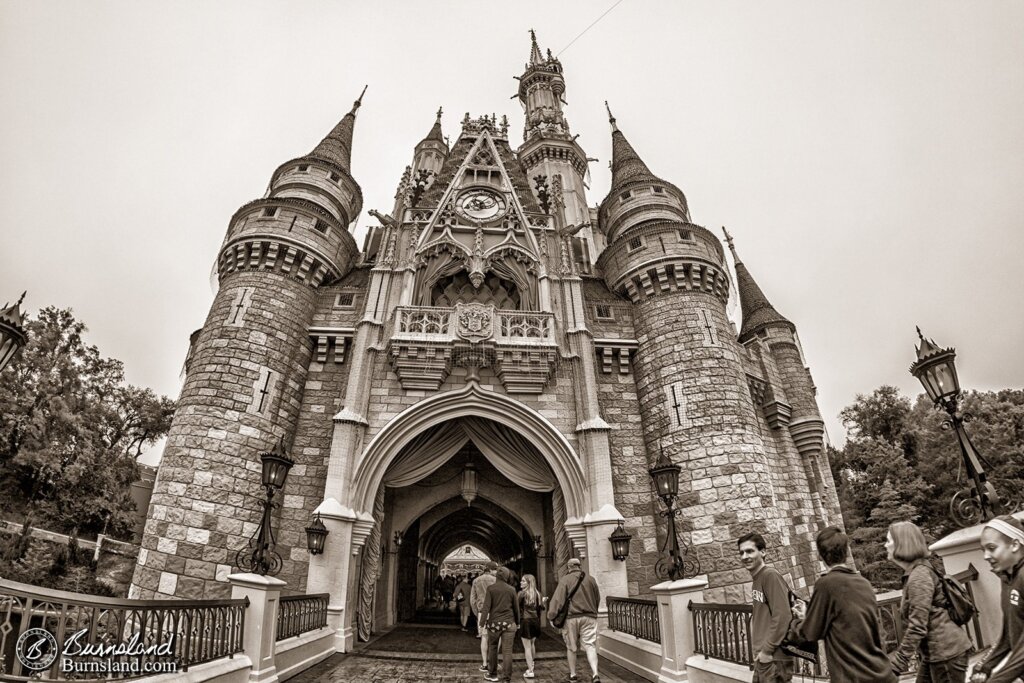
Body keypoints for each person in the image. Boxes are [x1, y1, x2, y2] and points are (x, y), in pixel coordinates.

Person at [790, 526, 897, 683]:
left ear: (820, 555)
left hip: (853, 677)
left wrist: (798, 622)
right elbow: (876, 631)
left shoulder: (826, 584)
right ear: (846, 552)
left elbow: (811, 632)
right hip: (882, 674)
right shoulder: (864, 583)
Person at [886, 521, 972, 681]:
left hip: (946, 653)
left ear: (902, 544)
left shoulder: (919, 576)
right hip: (935, 653)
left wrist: (897, 664)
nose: (885, 545)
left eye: (889, 540)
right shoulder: (916, 571)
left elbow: (917, 626)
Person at [970, 515, 1024, 683]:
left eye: (991, 548)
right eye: (983, 550)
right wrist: (984, 666)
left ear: (1014, 545)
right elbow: (1009, 633)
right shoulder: (1007, 578)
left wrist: (998, 679)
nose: (986, 556)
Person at [737, 532, 793, 683]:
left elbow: (783, 615)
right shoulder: (757, 578)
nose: (744, 556)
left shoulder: (770, 576)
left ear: (763, 552)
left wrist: (767, 650)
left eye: (750, 551)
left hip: (774, 658)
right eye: (741, 552)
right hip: (763, 658)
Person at [547, 557, 601, 683]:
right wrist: (593, 611)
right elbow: (597, 598)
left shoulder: (565, 580)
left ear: (569, 567)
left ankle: (573, 674)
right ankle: (595, 673)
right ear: (579, 566)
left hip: (571, 618)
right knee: (590, 645)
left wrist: (551, 616)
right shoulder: (591, 580)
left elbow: (557, 600)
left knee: (571, 647)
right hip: (589, 617)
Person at [481, 566, 520, 683]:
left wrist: (481, 622)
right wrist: (517, 622)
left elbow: (486, 607)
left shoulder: (491, 588)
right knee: (507, 651)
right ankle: (506, 678)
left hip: (494, 624)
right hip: (509, 623)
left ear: (497, 576)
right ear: (507, 576)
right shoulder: (511, 589)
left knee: (492, 648)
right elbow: (516, 608)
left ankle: (492, 674)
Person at [472, 561, 498, 671]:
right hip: (495, 612)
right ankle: (493, 663)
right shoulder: (496, 580)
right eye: (496, 570)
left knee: (484, 637)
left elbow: (472, 599)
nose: (497, 572)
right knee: (496, 637)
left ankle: (484, 663)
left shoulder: (476, 580)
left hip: (482, 611)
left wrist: (477, 612)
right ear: (491, 570)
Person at [518, 573, 545, 679]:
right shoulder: (538, 594)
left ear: (529, 583)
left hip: (526, 621)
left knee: (527, 647)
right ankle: (532, 664)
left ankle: (530, 670)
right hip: (535, 621)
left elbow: (517, 608)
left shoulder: (521, 594)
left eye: (523, 581)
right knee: (532, 643)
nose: (521, 582)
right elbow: (541, 608)